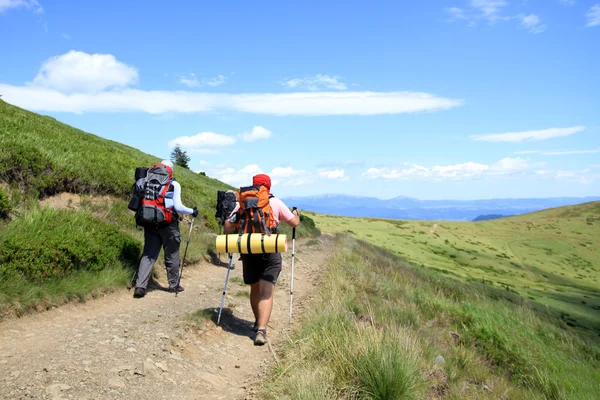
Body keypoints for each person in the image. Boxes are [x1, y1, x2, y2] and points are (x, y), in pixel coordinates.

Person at [224, 174, 300, 345]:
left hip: (249, 248)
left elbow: (228, 225)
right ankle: (261, 330)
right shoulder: (275, 202)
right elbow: (294, 223)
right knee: (267, 292)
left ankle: (257, 322)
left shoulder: (243, 202)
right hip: (269, 247)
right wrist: (297, 214)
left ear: (254, 185)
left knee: (255, 289)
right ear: (269, 186)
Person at [134, 160, 199, 298]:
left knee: (149, 255)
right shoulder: (173, 184)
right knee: (172, 254)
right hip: (168, 224)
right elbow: (178, 207)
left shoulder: (145, 179)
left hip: (149, 222)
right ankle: (173, 285)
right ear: (171, 170)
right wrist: (192, 211)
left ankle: (140, 286)